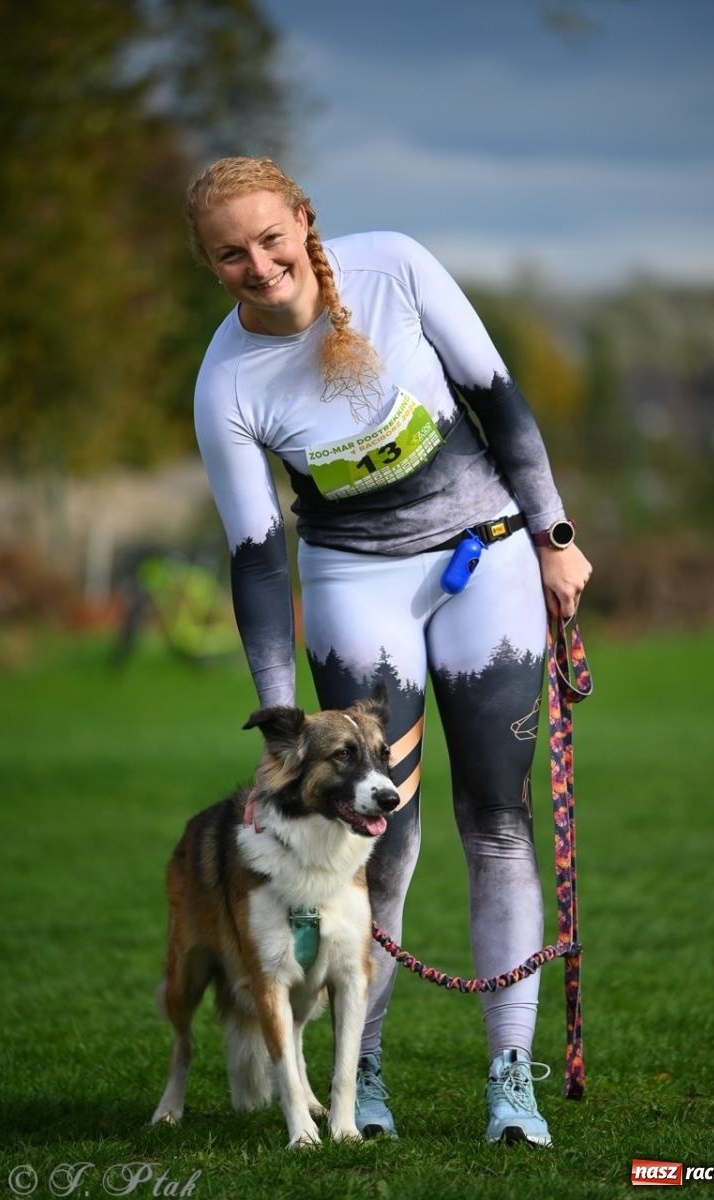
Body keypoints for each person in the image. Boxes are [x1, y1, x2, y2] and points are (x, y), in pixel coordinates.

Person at [186, 156, 592, 1145]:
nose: (259, 264)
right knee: (385, 835)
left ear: (303, 222)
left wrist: (555, 537)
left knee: (496, 817)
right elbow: (253, 557)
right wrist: (282, 723)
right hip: (351, 579)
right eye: (231, 253)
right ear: (211, 264)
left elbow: (499, 403)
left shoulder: (394, 267)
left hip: (485, 551)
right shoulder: (225, 381)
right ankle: (361, 1076)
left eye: (271, 240)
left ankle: (512, 1081)